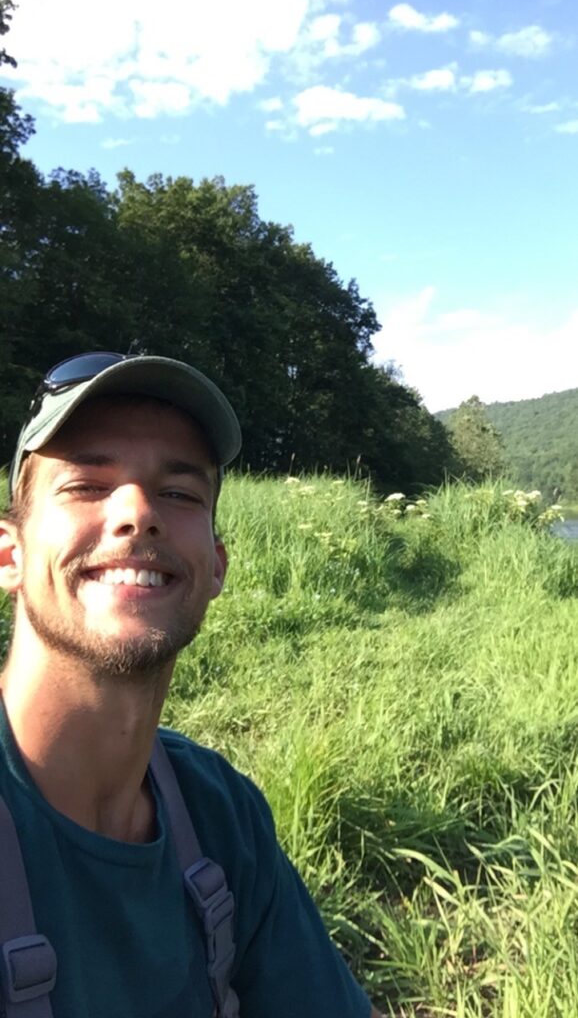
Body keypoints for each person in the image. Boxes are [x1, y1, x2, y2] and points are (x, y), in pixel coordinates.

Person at [0, 352, 383, 1018]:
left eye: (178, 493)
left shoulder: (222, 817)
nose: (138, 513)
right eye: (88, 484)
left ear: (215, 567)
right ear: (10, 555)